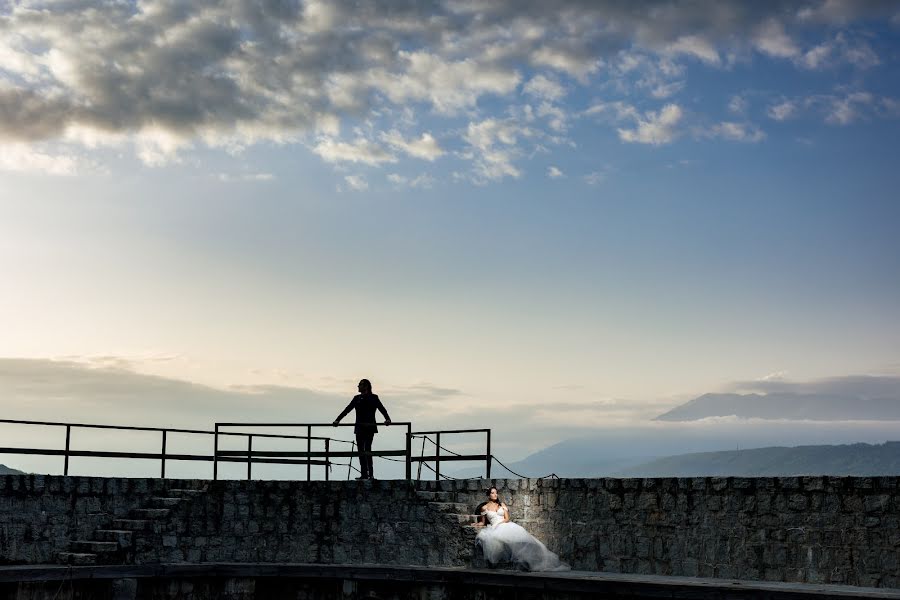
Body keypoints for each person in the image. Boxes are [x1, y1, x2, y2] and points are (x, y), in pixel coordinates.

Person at [474, 486, 569, 572]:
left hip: (504, 524)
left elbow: (507, 519)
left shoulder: (501, 504)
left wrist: (500, 523)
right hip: (494, 527)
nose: (495, 495)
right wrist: (476, 523)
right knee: (497, 541)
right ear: (488, 495)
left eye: (496, 492)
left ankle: (531, 561)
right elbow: (483, 522)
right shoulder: (484, 508)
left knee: (522, 539)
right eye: (493, 493)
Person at [333, 379, 391, 480]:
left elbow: (382, 408)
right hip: (359, 428)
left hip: (369, 427)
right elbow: (347, 409)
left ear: (366, 386)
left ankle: (370, 474)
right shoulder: (357, 398)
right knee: (361, 451)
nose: (358, 387)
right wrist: (337, 420)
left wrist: (387, 419)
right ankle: (364, 474)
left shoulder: (374, 398)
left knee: (367, 449)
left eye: (360, 385)